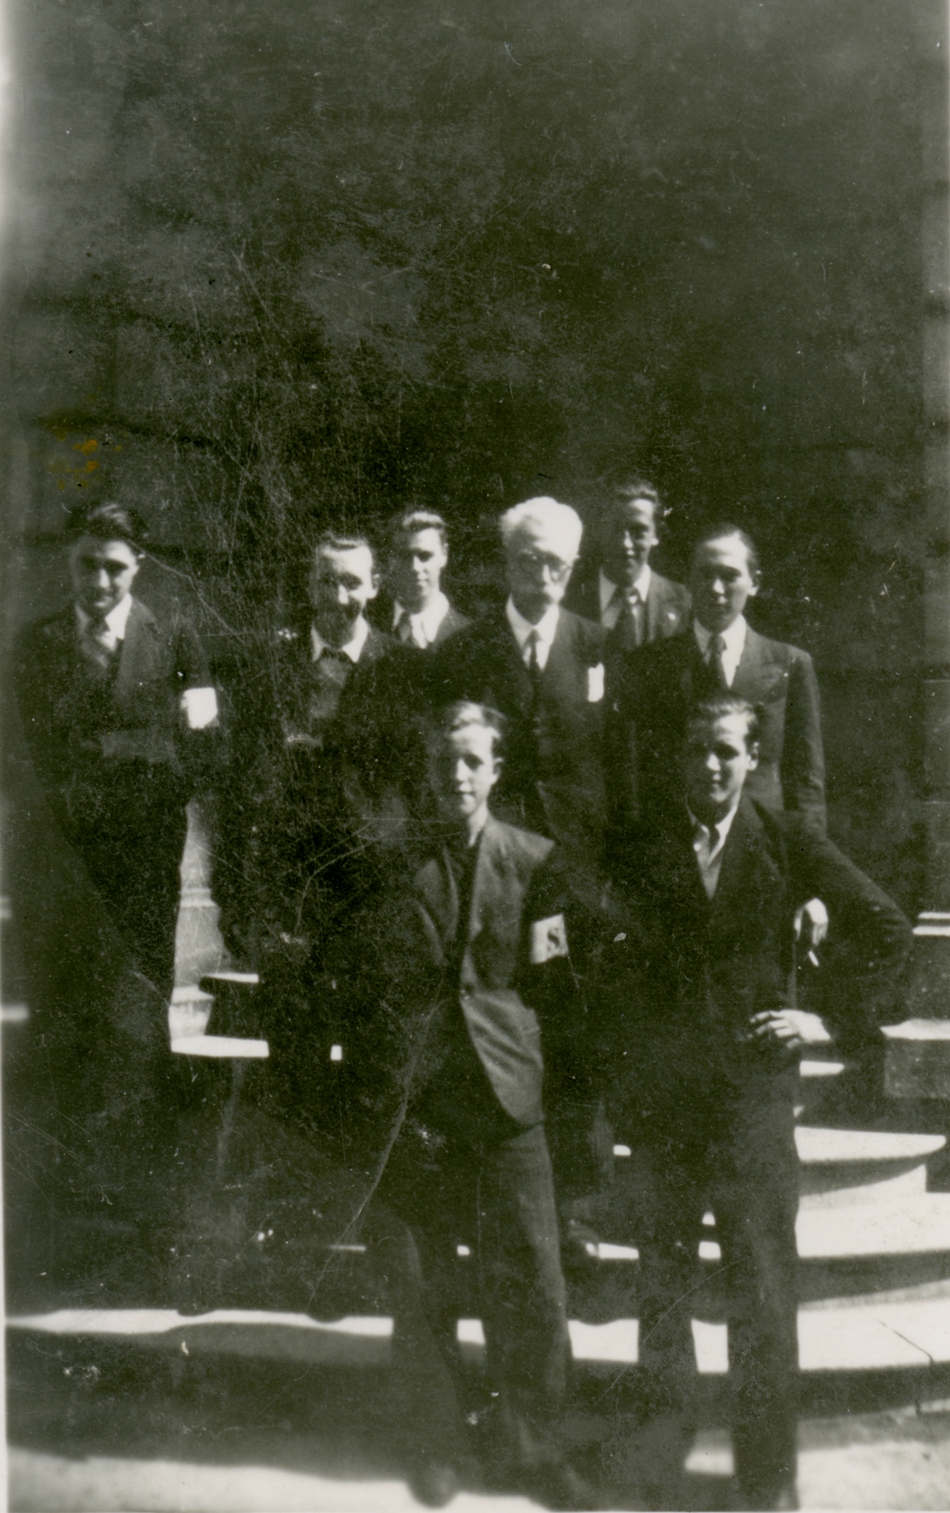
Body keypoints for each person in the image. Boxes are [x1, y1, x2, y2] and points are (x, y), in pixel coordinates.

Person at [592, 693, 912, 1510]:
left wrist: (824, 1015)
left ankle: (765, 1477)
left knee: (762, 1292)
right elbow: (596, 949)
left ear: (752, 759)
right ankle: (664, 1449)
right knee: (661, 1288)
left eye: (726, 751)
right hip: (664, 1106)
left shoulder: (784, 839)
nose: (709, 764)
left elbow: (885, 928)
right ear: (678, 755)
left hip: (750, 1107)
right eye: (697, 747)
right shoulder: (638, 843)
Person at [329, 702, 594, 1508]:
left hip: (507, 1095)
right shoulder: (388, 861)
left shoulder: (536, 859)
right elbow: (363, 979)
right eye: (446, 762)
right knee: (421, 1282)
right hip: (421, 1101)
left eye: (474, 761)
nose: (458, 776)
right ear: (428, 770)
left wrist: (550, 1086)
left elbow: (560, 990)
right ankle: (436, 1443)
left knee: (533, 1280)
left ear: (496, 769)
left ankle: (534, 1445)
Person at [14, 499, 218, 999]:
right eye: (89, 564)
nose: (100, 582)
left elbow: (203, 736)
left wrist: (160, 796)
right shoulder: (37, 645)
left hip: (145, 847)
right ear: (69, 557)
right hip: (67, 853)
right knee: (67, 994)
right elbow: (25, 750)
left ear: (138, 565)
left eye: (115, 568)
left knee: (142, 988)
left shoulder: (173, 636)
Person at [608, 522, 826, 833]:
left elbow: (806, 779)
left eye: (729, 575)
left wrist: (806, 858)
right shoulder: (647, 665)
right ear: (688, 580)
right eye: (705, 574)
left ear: (754, 582)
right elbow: (629, 774)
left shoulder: (790, 664)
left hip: (762, 843)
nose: (716, 588)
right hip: (676, 845)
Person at [431, 497, 607, 865]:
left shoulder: (600, 646)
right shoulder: (462, 651)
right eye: (530, 560)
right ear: (507, 562)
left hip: (580, 851)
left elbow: (620, 759)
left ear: (572, 567)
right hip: (496, 854)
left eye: (556, 563)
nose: (544, 576)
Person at [566, 477, 690, 649]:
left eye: (638, 532)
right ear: (598, 531)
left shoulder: (685, 604)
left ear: (657, 535)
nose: (625, 543)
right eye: (615, 528)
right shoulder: (568, 600)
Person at [383, 509, 471, 649]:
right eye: (405, 556)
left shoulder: (471, 636)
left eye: (425, 556)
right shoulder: (371, 630)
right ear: (391, 558)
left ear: (444, 554)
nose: (415, 567)